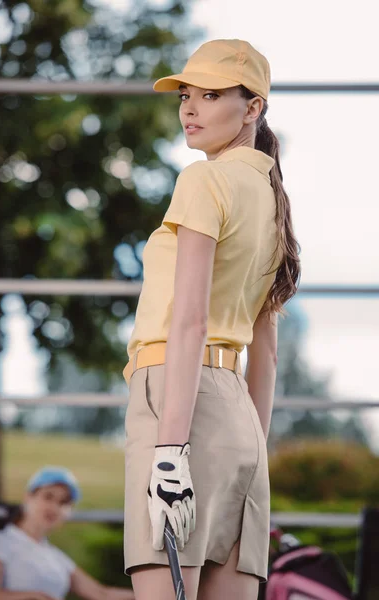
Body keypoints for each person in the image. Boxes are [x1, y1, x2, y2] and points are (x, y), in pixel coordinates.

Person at [123, 39, 301, 600]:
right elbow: (266, 352)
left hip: (178, 402)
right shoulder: (275, 200)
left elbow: (189, 322)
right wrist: (252, 455)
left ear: (253, 108)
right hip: (242, 423)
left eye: (212, 95)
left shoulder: (204, 181)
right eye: (186, 95)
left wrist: (171, 452)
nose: (190, 109)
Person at [0, 466, 134, 600]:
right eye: (48, 496)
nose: (54, 507)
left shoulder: (56, 557)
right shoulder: (1, 541)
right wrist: (34, 596)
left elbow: (102, 594)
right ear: (28, 497)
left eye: (64, 502)